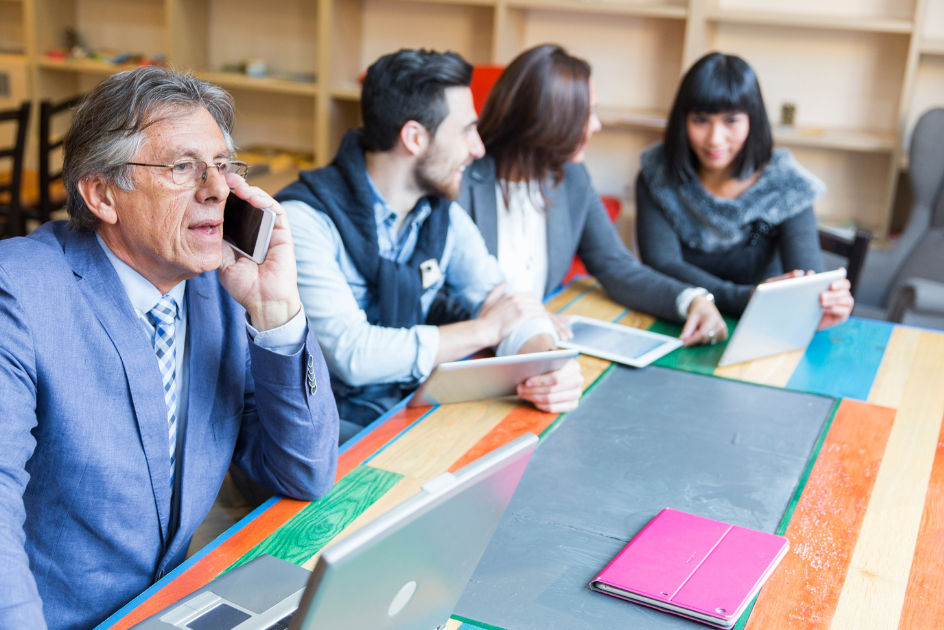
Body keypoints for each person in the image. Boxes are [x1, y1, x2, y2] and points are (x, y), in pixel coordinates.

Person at [0, 67, 339, 630]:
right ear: (101, 194)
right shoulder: (13, 288)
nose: (217, 189)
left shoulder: (220, 288)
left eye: (223, 166)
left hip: (151, 614)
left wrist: (275, 312)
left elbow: (302, 473)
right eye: (183, 167)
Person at [276, 49, 583, 429]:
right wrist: (483, 330)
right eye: (467, 130)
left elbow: (503, 303)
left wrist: (548, 364)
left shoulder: (441, 215)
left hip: (403, 407)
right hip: (317, 424)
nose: (479, 149)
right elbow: (353, 355)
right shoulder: (303, 221)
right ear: (415, 137)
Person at [457, 44, 727, 342]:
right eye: (586, 114)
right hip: (472, 349)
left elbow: (617, 266)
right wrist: (519, 317)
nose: (596, 126)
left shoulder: (572, 178)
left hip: (539, 348)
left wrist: (691, 300)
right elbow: (437, 298)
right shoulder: (460, 181)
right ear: (546, 119)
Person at [636, 52, 854, 326]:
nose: (715, 139)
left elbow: (807, 282)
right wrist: (747, 297)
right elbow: (662, 267)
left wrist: (826, 302)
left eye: (731, 120)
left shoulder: (786, 184)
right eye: (701, 120)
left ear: (753, 121)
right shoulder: (657, 175)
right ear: (682, 120)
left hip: (765, 327)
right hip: (677, 321)